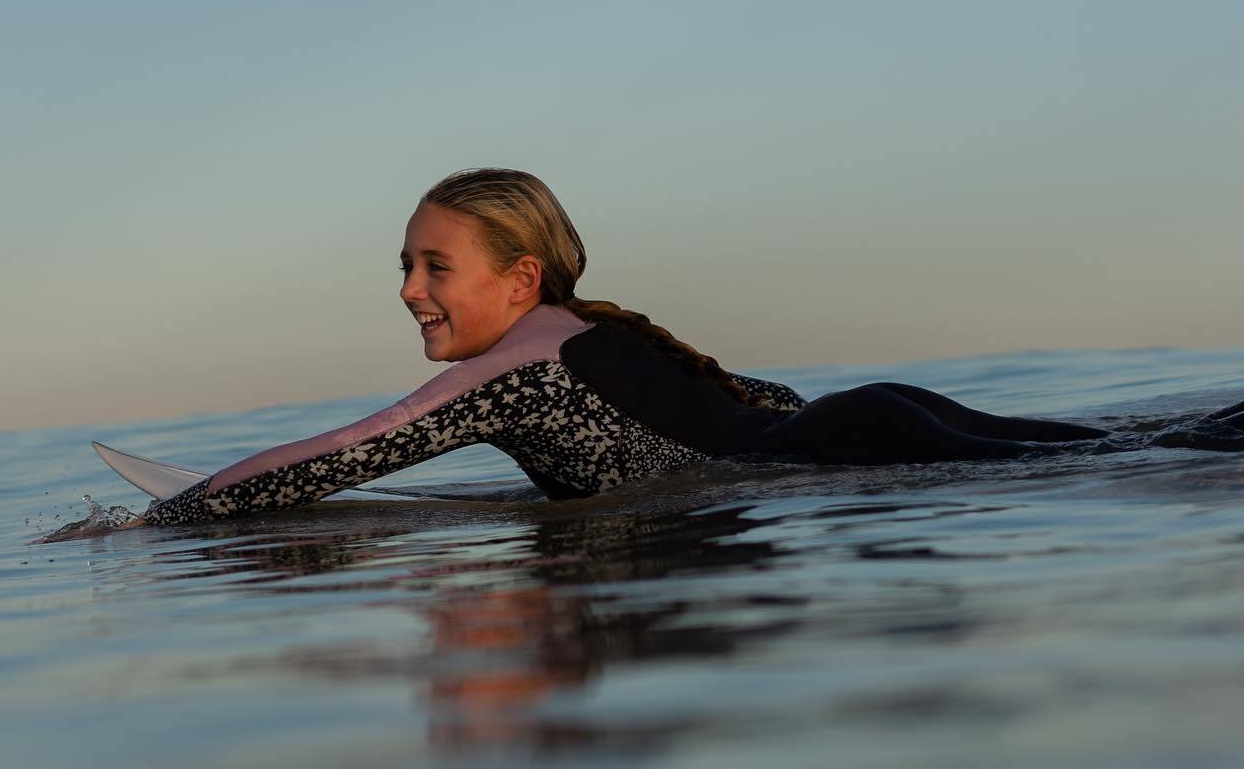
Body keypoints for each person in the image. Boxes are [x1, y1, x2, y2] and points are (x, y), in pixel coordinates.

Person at [138, 168, 1244, 527]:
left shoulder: (512, 369)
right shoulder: (591, 335)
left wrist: (171, 520)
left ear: (519, 280)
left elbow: (350, 449)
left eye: (434, 267)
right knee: (1144, 444)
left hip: (850, 447)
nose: (409, 291)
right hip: (866, 419)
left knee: (1163, 455)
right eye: (405, 265)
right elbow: (756, 398)